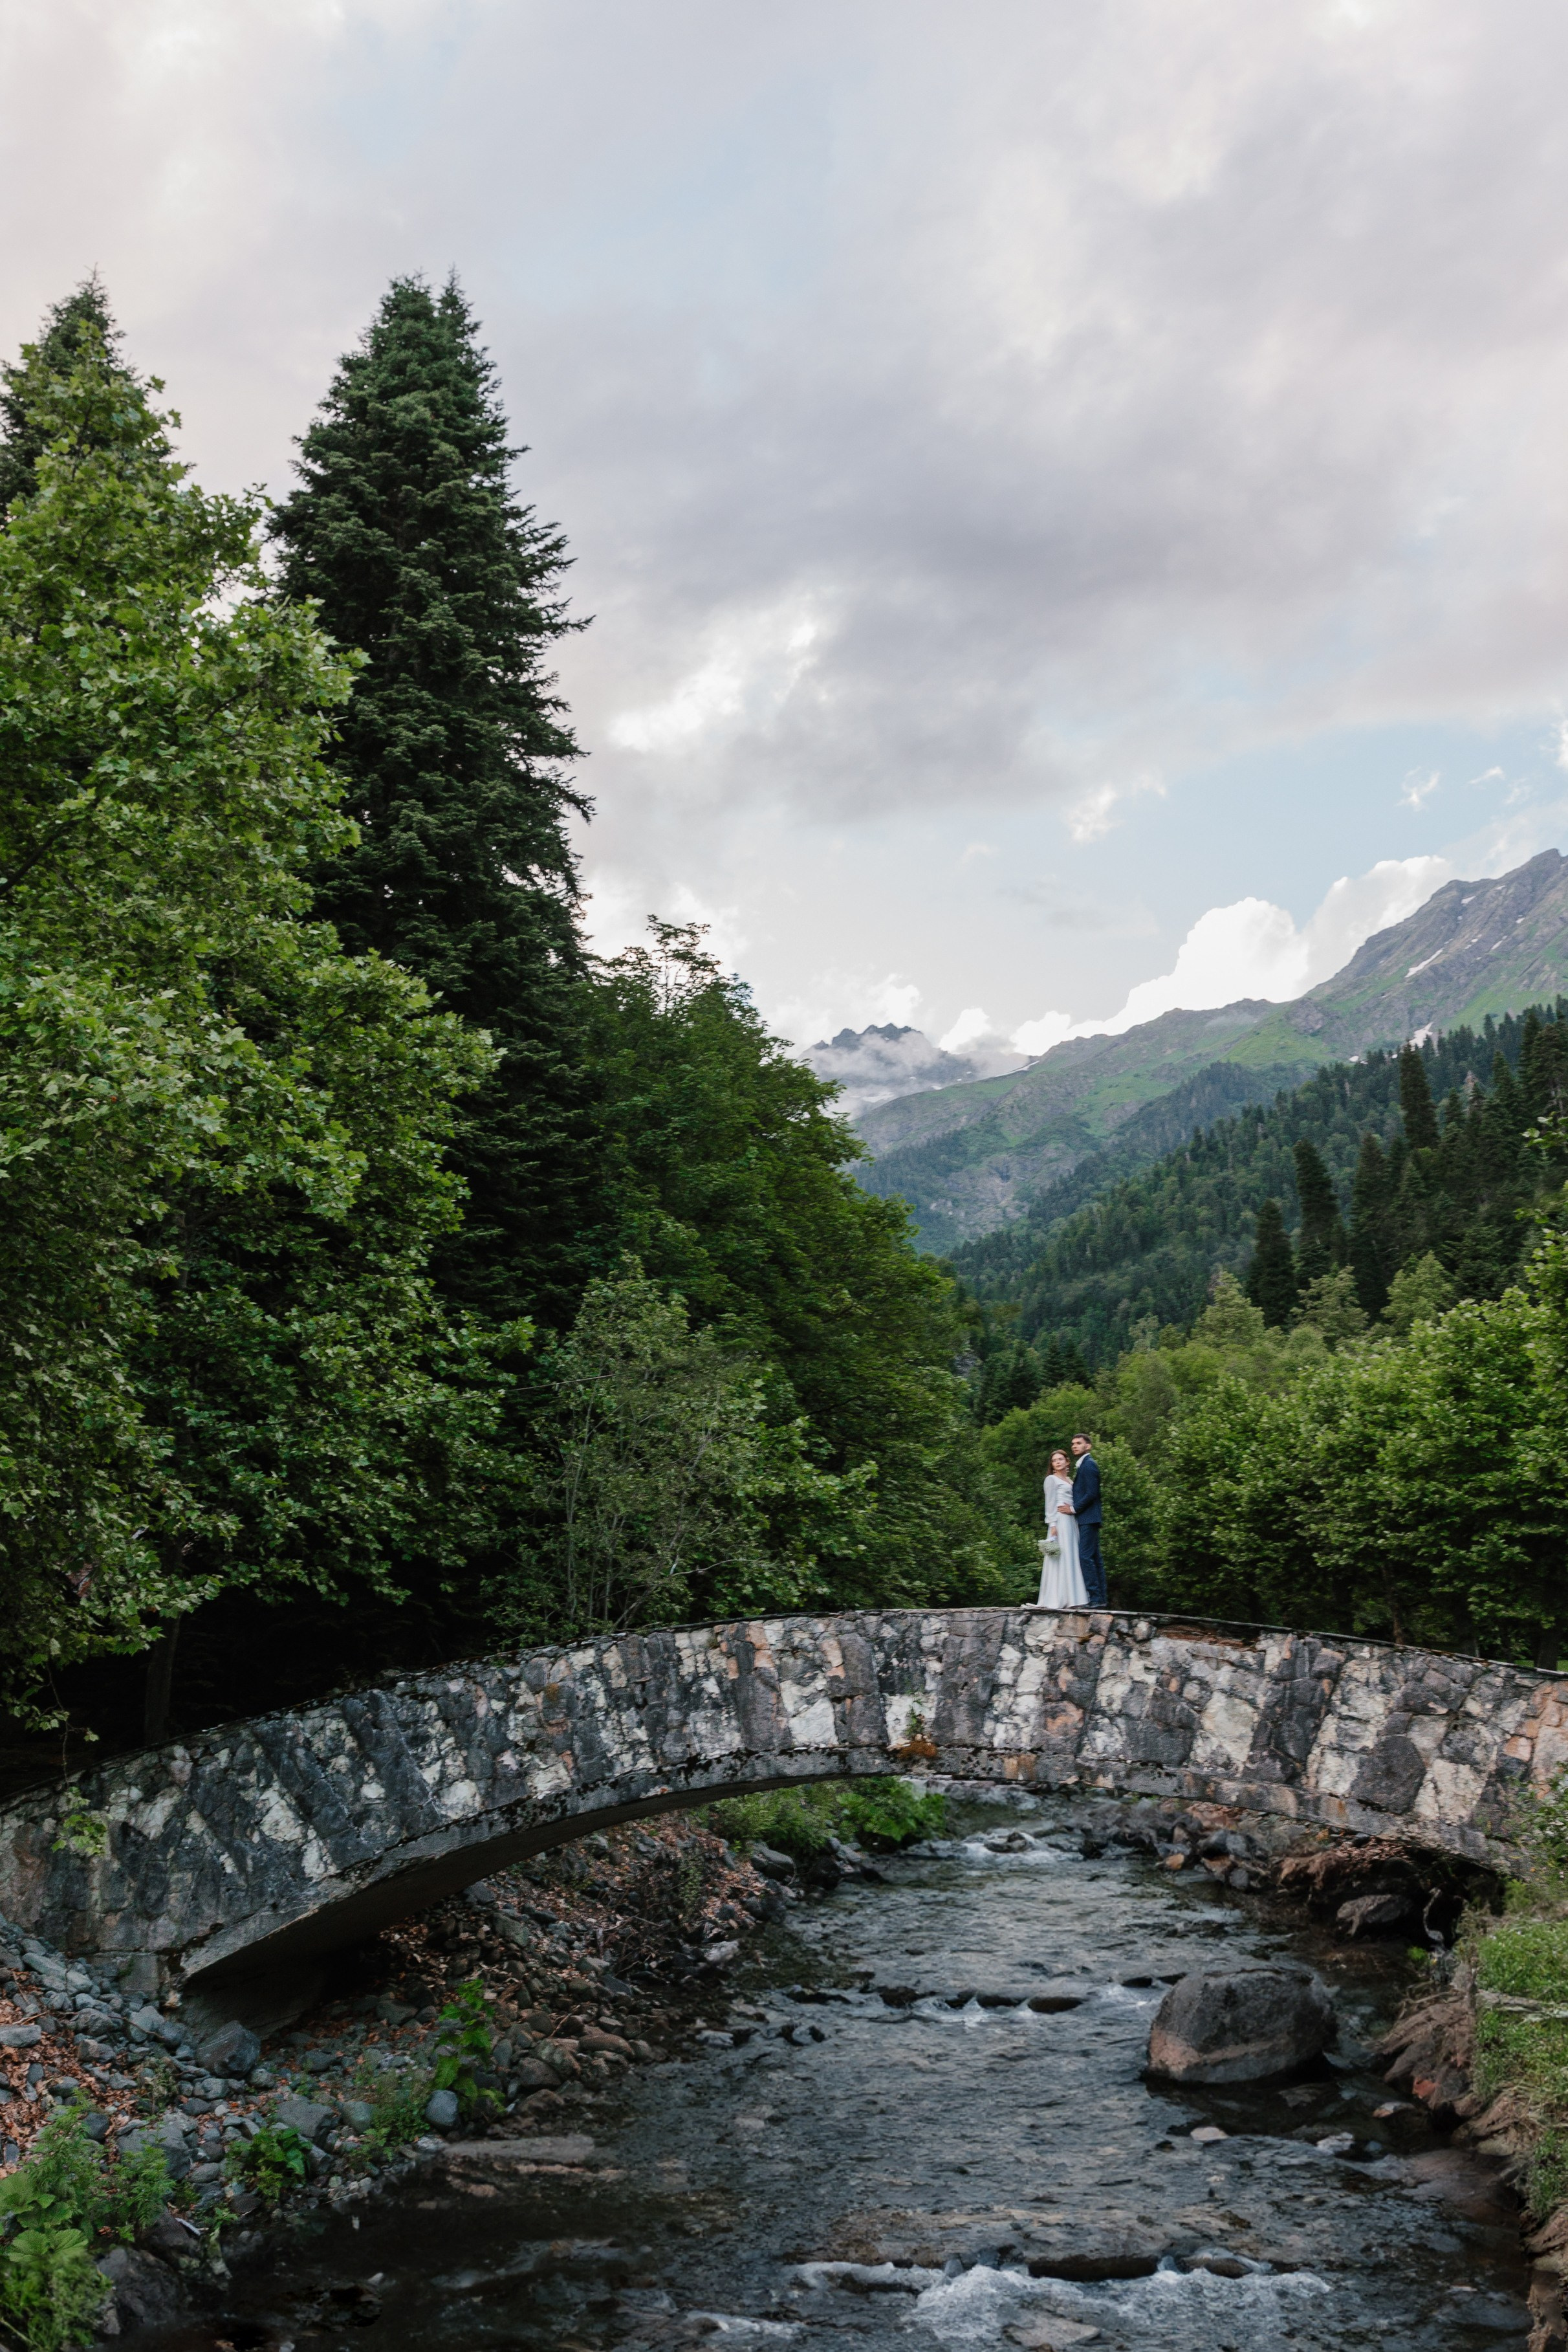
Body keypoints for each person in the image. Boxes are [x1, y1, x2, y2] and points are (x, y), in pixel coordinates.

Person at [1036, 1447, 1089, 1610]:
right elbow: (1050, 1503)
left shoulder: (1070, 1481)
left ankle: (1074, 1596)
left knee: (1072, 1555)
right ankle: (1059, 1596)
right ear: (1052, 1465)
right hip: (1060, 1520)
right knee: (1062, 1555)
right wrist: (1052, 1525)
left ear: (1067, 1461)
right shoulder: (1051, 1480)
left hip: (1071, 1520)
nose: (1057, 1462)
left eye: (1060, 1459)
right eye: (1054, 1461)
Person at [1069, 1432, 1107, 1608]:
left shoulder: (1089, 1465)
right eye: (1073, 1444)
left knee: (1085, 1557)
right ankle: (1100, 1598)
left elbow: (1092, 1493)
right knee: (1095, 1558)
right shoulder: (1084, 1465)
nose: (1074, 1446)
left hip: (1089, 1518)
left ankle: (1096, 1598)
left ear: (1088, 1446)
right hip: (1089, 1518)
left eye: (1079, 1443)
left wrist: (1074, 1509)